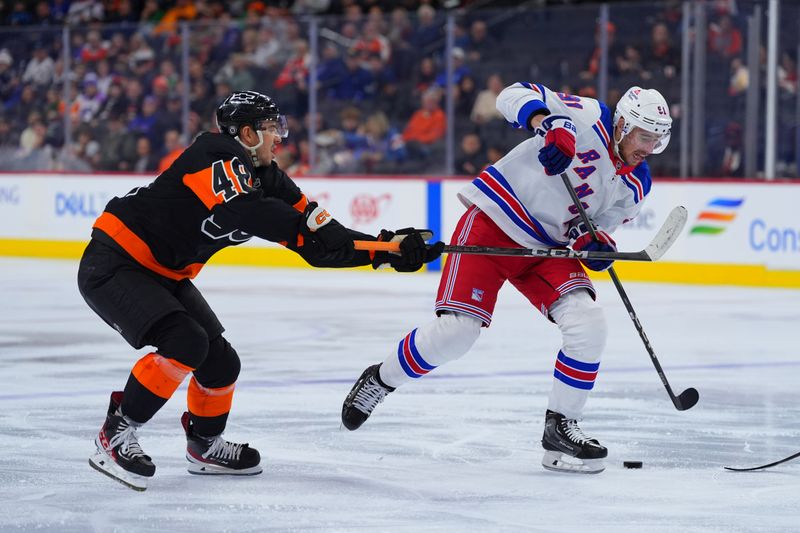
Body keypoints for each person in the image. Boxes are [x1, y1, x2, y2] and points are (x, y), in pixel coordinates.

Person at [78, 90, 443, 491]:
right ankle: (114, 433)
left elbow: (320, 245)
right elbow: (247, 211)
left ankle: (204, 446)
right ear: (247, 132)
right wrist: (315, 228)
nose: (280, 138)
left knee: (220, 363)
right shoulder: (213, 152)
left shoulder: (268, 177)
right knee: (184, 343)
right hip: (114, 262)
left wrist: (386, 250)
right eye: (273, 129)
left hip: (165, 272)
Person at [341, 83, 672, 474]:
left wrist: (595, 243)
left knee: (588, 322)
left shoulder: (638, 183)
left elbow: (594, 227)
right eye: (644, 136)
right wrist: (550, 124)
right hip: (496, 222)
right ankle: (381, 379)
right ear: (621, 125)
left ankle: (560, 429)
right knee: (457, 334)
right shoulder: (588, 115)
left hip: (547, 250)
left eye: (656, 139)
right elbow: (510, 94)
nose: (648, 148)